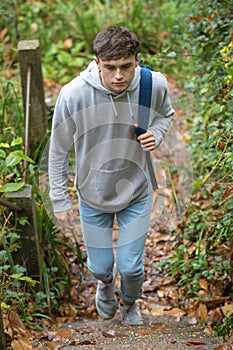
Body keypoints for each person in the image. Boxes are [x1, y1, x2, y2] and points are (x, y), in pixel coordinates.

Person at [48, 26, 174, 325]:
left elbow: (166, 115)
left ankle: (130, 303)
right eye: (110, 68)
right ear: (96, 62)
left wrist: (155, 134)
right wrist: (59, 198)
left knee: (131, 268)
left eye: (126, 67)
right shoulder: (73, 94)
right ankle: (104, 286)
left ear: (137, 61)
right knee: (100, 266)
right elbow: (58, 150)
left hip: (136, 187)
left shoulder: (152, 85)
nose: (119, 76)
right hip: (93, 193)